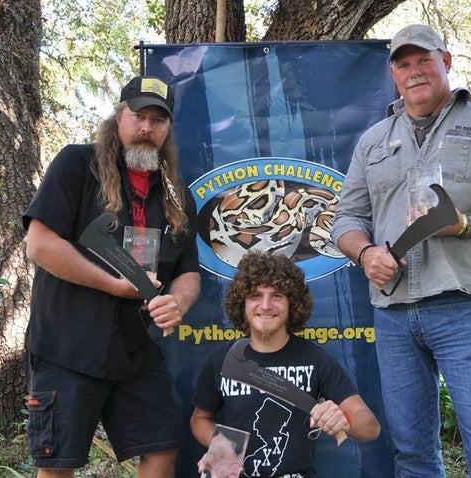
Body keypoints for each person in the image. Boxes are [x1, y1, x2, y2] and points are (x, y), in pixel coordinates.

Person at [331, 24, 471, 477]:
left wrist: (469, 223)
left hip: (464, 305)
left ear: (446, 61)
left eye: (423, 60)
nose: (414, 71)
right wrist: (364, 253)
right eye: (403, 64)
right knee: (412, 454)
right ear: (393, 73)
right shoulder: (374, 140)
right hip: (393, 313)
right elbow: (346, 219)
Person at [23, 75, 201, 478]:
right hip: (65, 349)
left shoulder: (176, 194)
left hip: (133, 352)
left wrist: (179, 302)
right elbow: (41, 245)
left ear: (168, 129)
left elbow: (188, 270)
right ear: (119, 116)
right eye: (139, 115)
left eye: (159, 120)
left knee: (162, 449)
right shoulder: (76, 164)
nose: (147, 128)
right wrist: (113, 284)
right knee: (58, 465)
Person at [190, 251, 381, 477]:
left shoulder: (315, 359)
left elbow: (371, 428)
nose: (266, 305)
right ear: (242, 302)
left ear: (293, 303)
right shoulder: (221, 360)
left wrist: (345, 419)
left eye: (277, 295)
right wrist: (219, 446)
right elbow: (200, 419)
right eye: (255, 295)